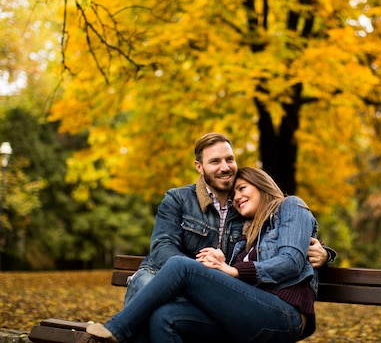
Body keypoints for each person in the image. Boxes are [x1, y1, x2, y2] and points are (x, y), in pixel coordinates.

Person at [80, 166, 319, 343]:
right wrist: (221, 263)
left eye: (242, 188)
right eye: (234, 195)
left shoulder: (290, 206)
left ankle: (118, 329)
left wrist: (234, 271)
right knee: (165, 317)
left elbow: (291, 261)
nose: (236, 197)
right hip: (249, 315)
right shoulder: (246, 236)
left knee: (180, 266)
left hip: (284, 316)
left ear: (263, 186)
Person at [123, 133, 333, 305]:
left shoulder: (247, 207)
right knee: (150, 294)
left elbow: (283, 241)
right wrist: (200, 274)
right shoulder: (178, 199)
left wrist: (324, 255)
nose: (225, 167)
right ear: (199, 166)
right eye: (215, 161)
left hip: (218, 289)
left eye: (229, 159)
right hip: (160, 274)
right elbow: (162, 247)